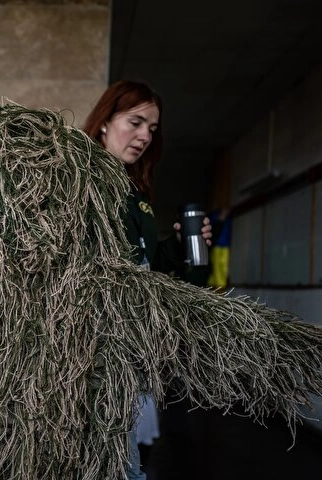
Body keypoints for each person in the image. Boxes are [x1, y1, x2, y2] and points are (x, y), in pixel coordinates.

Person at [83, 80, 212, 479]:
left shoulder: (134, 191)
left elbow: (146, 264)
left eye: (151, 129)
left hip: (129, 345)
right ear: (104, 122)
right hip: (89, 346)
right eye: (135, 122)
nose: (143, 136)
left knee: (124, 460)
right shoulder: (79, 179)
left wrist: (177, 247)